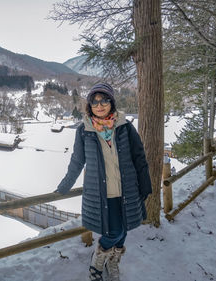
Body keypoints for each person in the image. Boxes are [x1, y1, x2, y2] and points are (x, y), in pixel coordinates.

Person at [55, 82, 152, 281]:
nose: (99, 105)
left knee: (123, 229)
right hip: (101, 193)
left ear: (111, 102)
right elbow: (77, 161)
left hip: (127, 189)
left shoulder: (125, 127)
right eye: (94, 101)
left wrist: (145, 186)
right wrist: (64, 186)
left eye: (104, 100)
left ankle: (113, 261)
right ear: (89, 105)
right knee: (114, 231)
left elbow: (139, 157)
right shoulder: (84, 131)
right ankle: (99, 259)